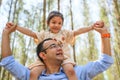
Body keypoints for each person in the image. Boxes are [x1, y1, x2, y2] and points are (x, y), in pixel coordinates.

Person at [0, 21, 113, 80]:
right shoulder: (29, 74)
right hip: (39, 64)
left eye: (59, 45)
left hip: (66, 61)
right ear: (43, 55)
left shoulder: (78, 73)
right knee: (33, 74)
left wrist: (101, 32)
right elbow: (8, 61)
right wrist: (9, 31)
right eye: (53, 46)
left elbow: (105, 61)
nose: (59, 47)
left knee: (70, 71)